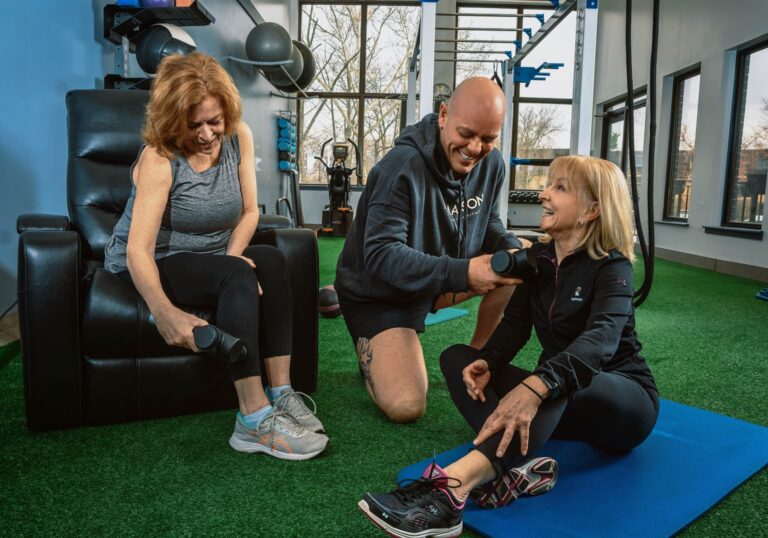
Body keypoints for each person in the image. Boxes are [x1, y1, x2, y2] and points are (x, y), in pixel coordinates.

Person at [357, 156, 660, 537]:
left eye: (560, 188)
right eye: (549, 184)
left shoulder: (612, 266)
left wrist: (536, 386)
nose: (543, 193)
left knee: (555, 381)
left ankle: (453, 488)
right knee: (457, 359)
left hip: (624, 403)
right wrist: (490, 360)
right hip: (561, 402)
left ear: (593, 210)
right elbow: (515, 325)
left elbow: (602, 339)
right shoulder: (541, 260)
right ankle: (515, 467)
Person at [103, 52, 328, 460]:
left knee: (273, 261)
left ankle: (280, 392)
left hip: (211, 252)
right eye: (194, 125)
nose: (207, 135)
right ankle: (253, 420)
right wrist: (166, 314)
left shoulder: (238, 135)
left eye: (214, 121)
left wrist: (234, 254)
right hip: (155, 258)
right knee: (234, 276)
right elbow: (137, 250)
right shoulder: (159, 158)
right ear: (173, 120)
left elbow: (249, 212)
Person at [335, 77, 529, 423]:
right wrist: (465, 272)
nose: (475, 148)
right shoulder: (401, 166)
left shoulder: (492, 163)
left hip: (440, 282)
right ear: (443, 115)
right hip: (381, 294)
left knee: (520, 260)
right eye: (466, 133)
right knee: (406, 406)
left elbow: (489, 224)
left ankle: (477, 356)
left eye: (487, 139)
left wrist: (510, 248)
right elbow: (381, 255)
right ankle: (370, 349)